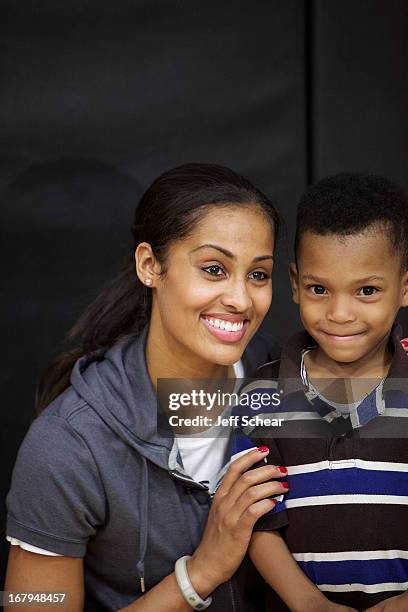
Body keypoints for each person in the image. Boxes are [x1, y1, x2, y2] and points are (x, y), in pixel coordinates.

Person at [4, 163, 289, 612]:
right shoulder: (69, 445)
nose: (241, 299)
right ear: (150, 265)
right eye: (214, 269)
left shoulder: (284, 380)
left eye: (258, 274)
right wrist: (200, 574)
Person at [230, 173, 408, 611]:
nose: (340, 313)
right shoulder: (259, 394)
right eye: (319, 289)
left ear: (404, 287)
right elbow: (257, 520)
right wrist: (309, 603)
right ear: (294, 282)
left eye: (367, 290)